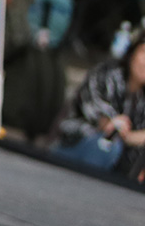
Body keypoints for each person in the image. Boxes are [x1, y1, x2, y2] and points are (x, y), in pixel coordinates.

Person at [52, 34, 145, 180]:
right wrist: (124, 132)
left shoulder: (141, 98)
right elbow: (105, 123)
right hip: (77, 144)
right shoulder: (107, 73)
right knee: (107, 147)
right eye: (144, 53)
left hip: (118, 161)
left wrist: (129, 136)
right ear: (133, 52)